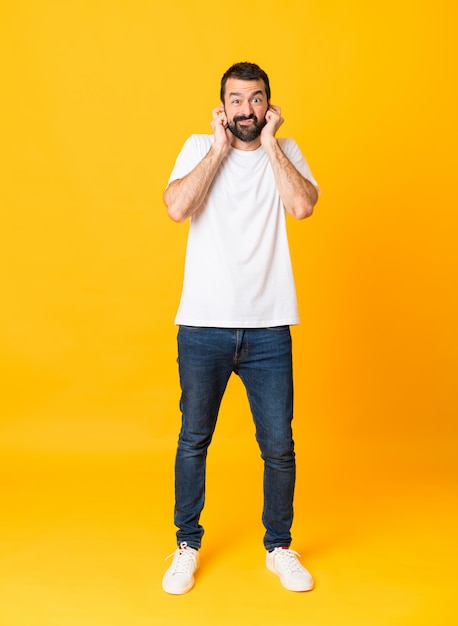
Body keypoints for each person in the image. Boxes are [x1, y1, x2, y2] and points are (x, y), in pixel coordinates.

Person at [161, 62, 319, 595]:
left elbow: (301, 206)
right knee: (193, 439)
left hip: (269, 329)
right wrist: (218, 149)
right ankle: (186, 544)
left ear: (268, 106)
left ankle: (279, 547)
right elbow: (178, 207)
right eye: (236, 100)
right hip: (203, 325)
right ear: (222, 107)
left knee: (278, 445)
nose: (245, 109)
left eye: (255, 100)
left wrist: (271, 143)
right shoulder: (197, 148)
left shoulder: (287, 151)